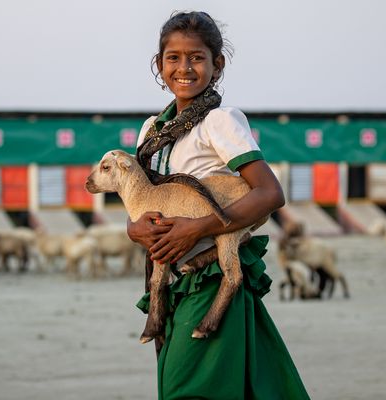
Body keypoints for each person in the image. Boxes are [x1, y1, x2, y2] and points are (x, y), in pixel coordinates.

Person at [127, 11, 311, 400]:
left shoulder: (219, 122)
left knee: (188, 390)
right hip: (168, 280)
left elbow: (268, 193)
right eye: (173, 57)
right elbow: (143, 203)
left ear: (217, 64)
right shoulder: (151, 130)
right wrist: (133, 229)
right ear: (159, 65)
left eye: (196, 57)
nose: (184, 68)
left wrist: (197, 228)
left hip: (210, 276)